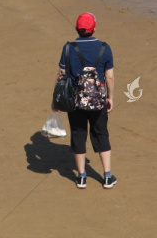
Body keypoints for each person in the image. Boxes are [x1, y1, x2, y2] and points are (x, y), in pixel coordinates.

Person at [51, 13, 116, 189]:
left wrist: (55, 100)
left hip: (75, 100)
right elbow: (109, 77)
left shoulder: (68, 48)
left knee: (78, 134)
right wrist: (109, 97)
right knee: (101, 133)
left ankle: (81, 177)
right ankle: (107, 176)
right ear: (94, 28)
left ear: (77, 29)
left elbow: (61, 76)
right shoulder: (104, 48)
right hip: (98, 100)